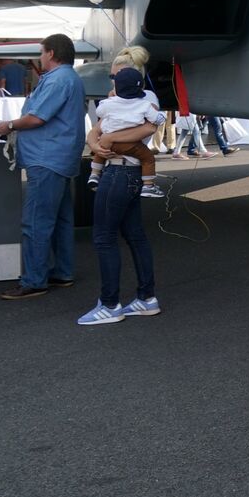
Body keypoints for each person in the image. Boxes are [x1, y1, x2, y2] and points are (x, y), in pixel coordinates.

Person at [0, 34, 88, 300]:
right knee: (61, 219)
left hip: (47, 158)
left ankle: (34, 280)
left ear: (52, 53)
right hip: (59, 157)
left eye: (42, 52)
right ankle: (63, 272)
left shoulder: (57, 80)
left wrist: (7, 125)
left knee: (35, 222)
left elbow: (36, 118)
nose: (39, 56)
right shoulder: (68, 78)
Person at [79, 67, 161, 326]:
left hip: (118, 173)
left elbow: (146, 130)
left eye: (115, 73)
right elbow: (95, 131)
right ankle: (146, 297)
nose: (112, 78)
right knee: (135, 235)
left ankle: (110, 303)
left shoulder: (140, 101)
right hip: (130, 172)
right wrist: (96, 144)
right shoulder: (136, 102)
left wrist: (107, 139)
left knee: (104, 237)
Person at [90, 68, 165, 199]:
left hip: (108, 146)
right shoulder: (144, 104)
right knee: (148, 158)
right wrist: (162, 117)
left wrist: (111, 101)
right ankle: (148, 186)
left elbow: (99, 114)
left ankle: (94, 174)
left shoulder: (109, 103)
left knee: (101, 150)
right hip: (131, 145)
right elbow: (154, 121)